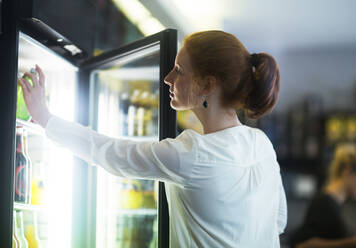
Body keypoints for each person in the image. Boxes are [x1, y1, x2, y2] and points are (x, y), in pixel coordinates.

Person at [18, 30, 286, 247]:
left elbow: (110, 153)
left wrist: (46, 118)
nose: (168, 79)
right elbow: (279, 221)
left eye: (179, 70)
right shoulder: (261, 144)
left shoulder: (193, 154)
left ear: (207, 85)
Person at [291, 144, 356, 248]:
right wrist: (350, 243)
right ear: (347, 171)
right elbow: (302, 245)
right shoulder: (324, 203)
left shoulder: (335, 204)